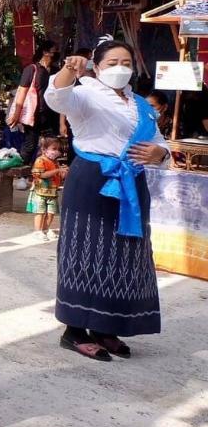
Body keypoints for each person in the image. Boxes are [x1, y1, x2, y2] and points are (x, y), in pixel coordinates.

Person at [45, 41, 169, 362]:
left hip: (133, 182)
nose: (120, 67)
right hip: (93, 179)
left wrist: (160, 153)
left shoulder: (140, 105)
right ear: (97, 67)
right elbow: (56, 97)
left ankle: (105, 326)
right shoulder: (84, 92)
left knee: (125, 254)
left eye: (126, 61)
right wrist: (68, 70)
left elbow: (158, 144)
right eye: (112, 61)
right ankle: (74, 331)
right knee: (86, 249)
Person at [8, 39, 58, 164]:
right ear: (45, 52)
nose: (56, 54)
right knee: (30, 145)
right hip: (34, 114)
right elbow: (22, 91)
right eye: (54, 51)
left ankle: (45, 172)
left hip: (51, 114)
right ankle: (21, 174)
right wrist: (16, 114)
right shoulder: (32, 69)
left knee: (52, 146)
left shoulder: (56, 70)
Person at [27, 137, 67, 241]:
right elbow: (42, 175)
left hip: (52, 193)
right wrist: (57, 170)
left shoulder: (55, 162)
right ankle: (37, 231)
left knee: (51, 213)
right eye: (54, 149)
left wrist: (63, 173)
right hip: (40, 192)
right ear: (44, 150)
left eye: (58, 149)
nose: (56, 152)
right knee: (40, 212)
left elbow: (58, 177)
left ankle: (45, 229)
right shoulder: (40, 160)